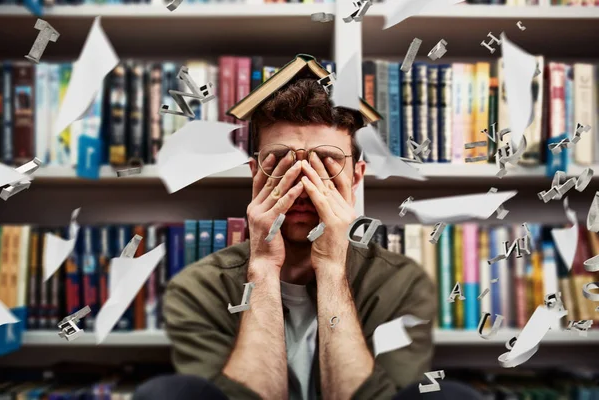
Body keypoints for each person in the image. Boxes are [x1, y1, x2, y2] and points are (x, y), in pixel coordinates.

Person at [134, 58, 480, 400]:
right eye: (281, 163)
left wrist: (331, 266)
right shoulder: (196, 288)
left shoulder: (402, 283)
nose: (301, 184)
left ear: (356, 176)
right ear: (256, 173)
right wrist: (264, 266)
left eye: (325, 163)